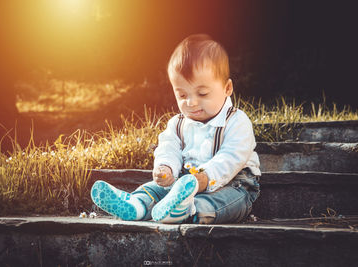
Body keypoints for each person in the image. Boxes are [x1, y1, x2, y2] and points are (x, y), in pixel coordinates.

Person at [91, 34, 261, 224]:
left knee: (222, 202)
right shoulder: (177, 124)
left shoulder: (237, 121)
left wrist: (204, 178)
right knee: (155, 188)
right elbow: (168, 147)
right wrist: (166, 168)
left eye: (202, 93)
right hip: (183, 185)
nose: (191, 102)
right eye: (181, 95)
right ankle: (137, 205)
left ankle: (188, 210)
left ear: (227, 88)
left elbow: (231, 157)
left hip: (234, 185)